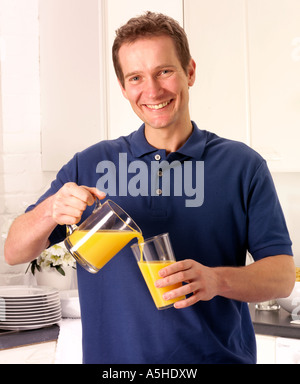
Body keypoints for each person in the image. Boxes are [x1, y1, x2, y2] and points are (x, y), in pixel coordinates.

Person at [5, 11, 295, 364]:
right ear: (123, 87)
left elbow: (281, 276)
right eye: (136, 77)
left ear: (189, 71)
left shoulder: (242, 165)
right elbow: (14, 251)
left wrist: (216, 281)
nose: (153, 90)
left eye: (164, 72)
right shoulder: (90, 164)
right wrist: (50, 211)